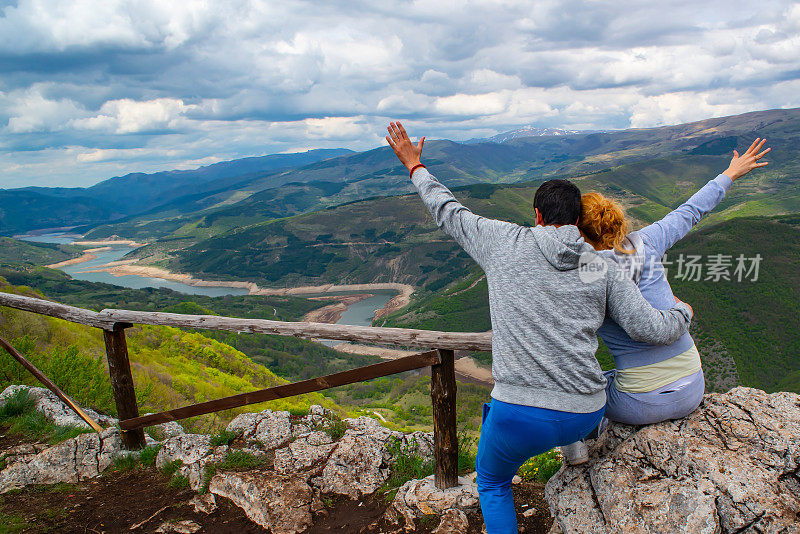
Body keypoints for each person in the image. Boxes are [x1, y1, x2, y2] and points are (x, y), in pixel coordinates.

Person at [385, 121, 694, 534]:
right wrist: (683, 313)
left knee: (493, 481)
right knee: (581, 384)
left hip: (519, 417)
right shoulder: (598, 266)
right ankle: (575, 450)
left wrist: (415, 165)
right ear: (577, 220)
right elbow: (649, 328)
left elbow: (449, 211)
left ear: (537, 214)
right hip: (586, 411)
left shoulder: (504, 242)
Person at [559, 138, 771, 464]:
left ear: (579, 232)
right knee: (613, 377)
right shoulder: (646, 242)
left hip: (640, 403)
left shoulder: (582, 273)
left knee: (578, 386)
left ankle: (583, 447)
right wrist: (730, 173)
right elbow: (690, 212)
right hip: (693, 389)